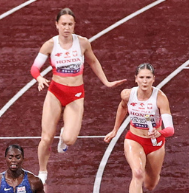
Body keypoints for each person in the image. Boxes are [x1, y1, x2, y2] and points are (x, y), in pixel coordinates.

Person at [31, 8, 125, 182]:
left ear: (74, 26)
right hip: (55, 93)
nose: (66, 27)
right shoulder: (50, 45)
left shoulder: (82, 43)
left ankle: (63, 137)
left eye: (70, 24)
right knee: (45, 138)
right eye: (63, 24)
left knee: (69, 139)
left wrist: (106, 81)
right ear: (57, 25)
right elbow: (34, 68)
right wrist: (39, 78)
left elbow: (93, 61)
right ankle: (42, 172)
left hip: (75, 95)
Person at [103, 64, 175, 193]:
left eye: (148, 77)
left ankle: (150, 182)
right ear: (136, 79)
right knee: (137, 173)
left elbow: (170, 129)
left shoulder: (160, 98)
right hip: (134, 139)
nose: (144, 81)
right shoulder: (128, 94)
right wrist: (115, 130)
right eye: (141, 77)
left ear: (153, 79)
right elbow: (122, 107)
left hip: (155, 143)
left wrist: (159, 132)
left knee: (150, 183)